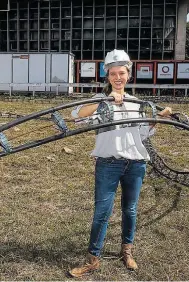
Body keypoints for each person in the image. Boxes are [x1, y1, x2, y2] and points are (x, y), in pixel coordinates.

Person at [68, 50, 172, 277]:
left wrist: (158, 119)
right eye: (113, 73)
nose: (118, 77)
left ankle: (127, 252)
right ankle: (93, 259)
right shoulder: (98, 100)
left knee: (130, 210)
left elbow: (143, 134)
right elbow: (76, 116)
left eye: (122, 73)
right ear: (107, 76)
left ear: (128, 75)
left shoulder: (136, 103)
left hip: (135, 164)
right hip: (108, 164)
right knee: (101, 212)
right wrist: (105, 101)